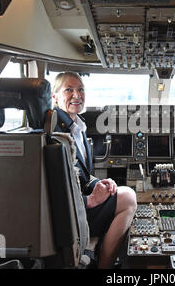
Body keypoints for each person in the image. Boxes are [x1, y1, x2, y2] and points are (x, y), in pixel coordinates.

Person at [52, 71, 137, 269]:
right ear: (54, 97)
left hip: (76, 207)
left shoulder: (76, 127)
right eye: (69, 90)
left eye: (81, 89)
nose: (77, 95)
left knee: (117, 191)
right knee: (129, 197)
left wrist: (97, 183)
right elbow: (50, 186)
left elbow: (79, 174)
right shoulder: (55, 132)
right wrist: (88, 201)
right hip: (68, 215)